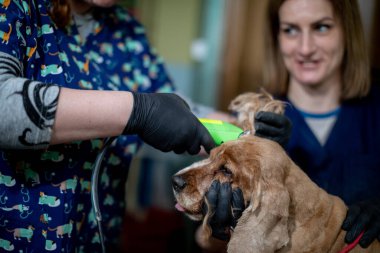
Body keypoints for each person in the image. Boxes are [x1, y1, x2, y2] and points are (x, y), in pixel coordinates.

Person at [0, 0, 216, 252]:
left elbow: (179, 110)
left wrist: (247, 131)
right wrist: (136, 111)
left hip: (98, 238)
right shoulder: (14, 6)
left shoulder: (126, 29)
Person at [206, 0, 380, 249]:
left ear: (347, 30)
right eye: (290, 30)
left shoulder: (374, 109)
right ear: (276, 35)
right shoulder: (248, 118)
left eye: (321, 27)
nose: (305, 48)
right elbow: (205, 242)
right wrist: (221, 230)